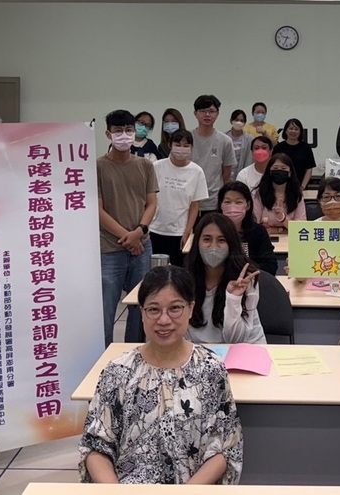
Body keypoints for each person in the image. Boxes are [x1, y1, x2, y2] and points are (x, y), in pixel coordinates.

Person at [77, 265, 243, 484]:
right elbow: (95, 445)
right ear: (142, 313)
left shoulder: (210, 369)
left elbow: (225, 448)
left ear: (191, 308)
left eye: (175, 308)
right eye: (153, 310)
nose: (164, 320)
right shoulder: (118, 371)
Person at [99, 109, 159, 345]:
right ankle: (103, 358)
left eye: (128, 130)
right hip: (109, 249)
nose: (124, 135)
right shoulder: (97, 167)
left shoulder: (145, 165)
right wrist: (128, 237)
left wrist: (139, 232)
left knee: (142, 308)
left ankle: (136, 353)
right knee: (106, 311)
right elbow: (97, 210)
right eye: (118, 131)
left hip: (141, 247)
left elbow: (151, 203)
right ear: (108, 134)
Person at [183, 214, 266, 344]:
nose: (213, 246)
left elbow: (236, 340)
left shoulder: (245, 279)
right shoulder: (185, 279)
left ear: (231, 244)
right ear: (197, 242)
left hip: (243, 348)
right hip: (199, 351)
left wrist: (234, 299)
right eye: (207, 239)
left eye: (221, 240)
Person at [150, 129, 209, 267]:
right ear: (170, 145)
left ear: (191, 148)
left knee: (178, 270)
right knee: (155, 271)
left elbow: (195, 205)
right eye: (177, 144)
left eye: (186, 145)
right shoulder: (157, 166)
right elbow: (148, 198)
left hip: (179, 232)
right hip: (155, 228)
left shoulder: (197, 171)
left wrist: (188, 231)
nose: (181, 149)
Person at [191, 95, 237, 217]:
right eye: (203, 111)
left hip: (213, 202)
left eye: (211, 111)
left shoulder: (225, 141)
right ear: (195, 113)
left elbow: (226, 173)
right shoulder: (187, 139)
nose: (207, 115)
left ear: (217, 114)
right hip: (189, 200)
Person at [219, 181, 277, 275]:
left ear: (248, 205)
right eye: (227, 202)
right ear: (221, 205)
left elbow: (270, 265)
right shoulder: (214, 231)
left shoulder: (258, 231)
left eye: (238, 202)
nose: (232, 207)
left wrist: (247, 272)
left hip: (251, 280)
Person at [252, 153, 307, 235]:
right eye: (275, 168)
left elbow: (301, 227)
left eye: (283, 168)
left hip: (290, 239)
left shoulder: (297, 195)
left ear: (290, 173)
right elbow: (254, 224)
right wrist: (282, 230)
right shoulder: (258, 194)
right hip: (265, 238)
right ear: (269, 172)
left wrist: (283, 218)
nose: (279, 171)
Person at [272, 118, 316, 190]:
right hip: (280, 187)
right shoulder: (278, 147)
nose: (293, 131)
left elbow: (309, 169)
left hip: (300, 187)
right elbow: (273, 167)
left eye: (296, 129)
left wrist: (302, 187)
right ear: (285, 131)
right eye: (291, 128)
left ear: (300, 132)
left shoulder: (306, 148)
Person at [226, 109, 252, 177]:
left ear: (245, 123)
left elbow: (249, 160)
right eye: (236, 120)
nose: (239, 122)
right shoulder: (224, 138)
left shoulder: (249, 139)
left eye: (241, 121)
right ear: (231, 121)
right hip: (225, 173)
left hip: (242, 174)